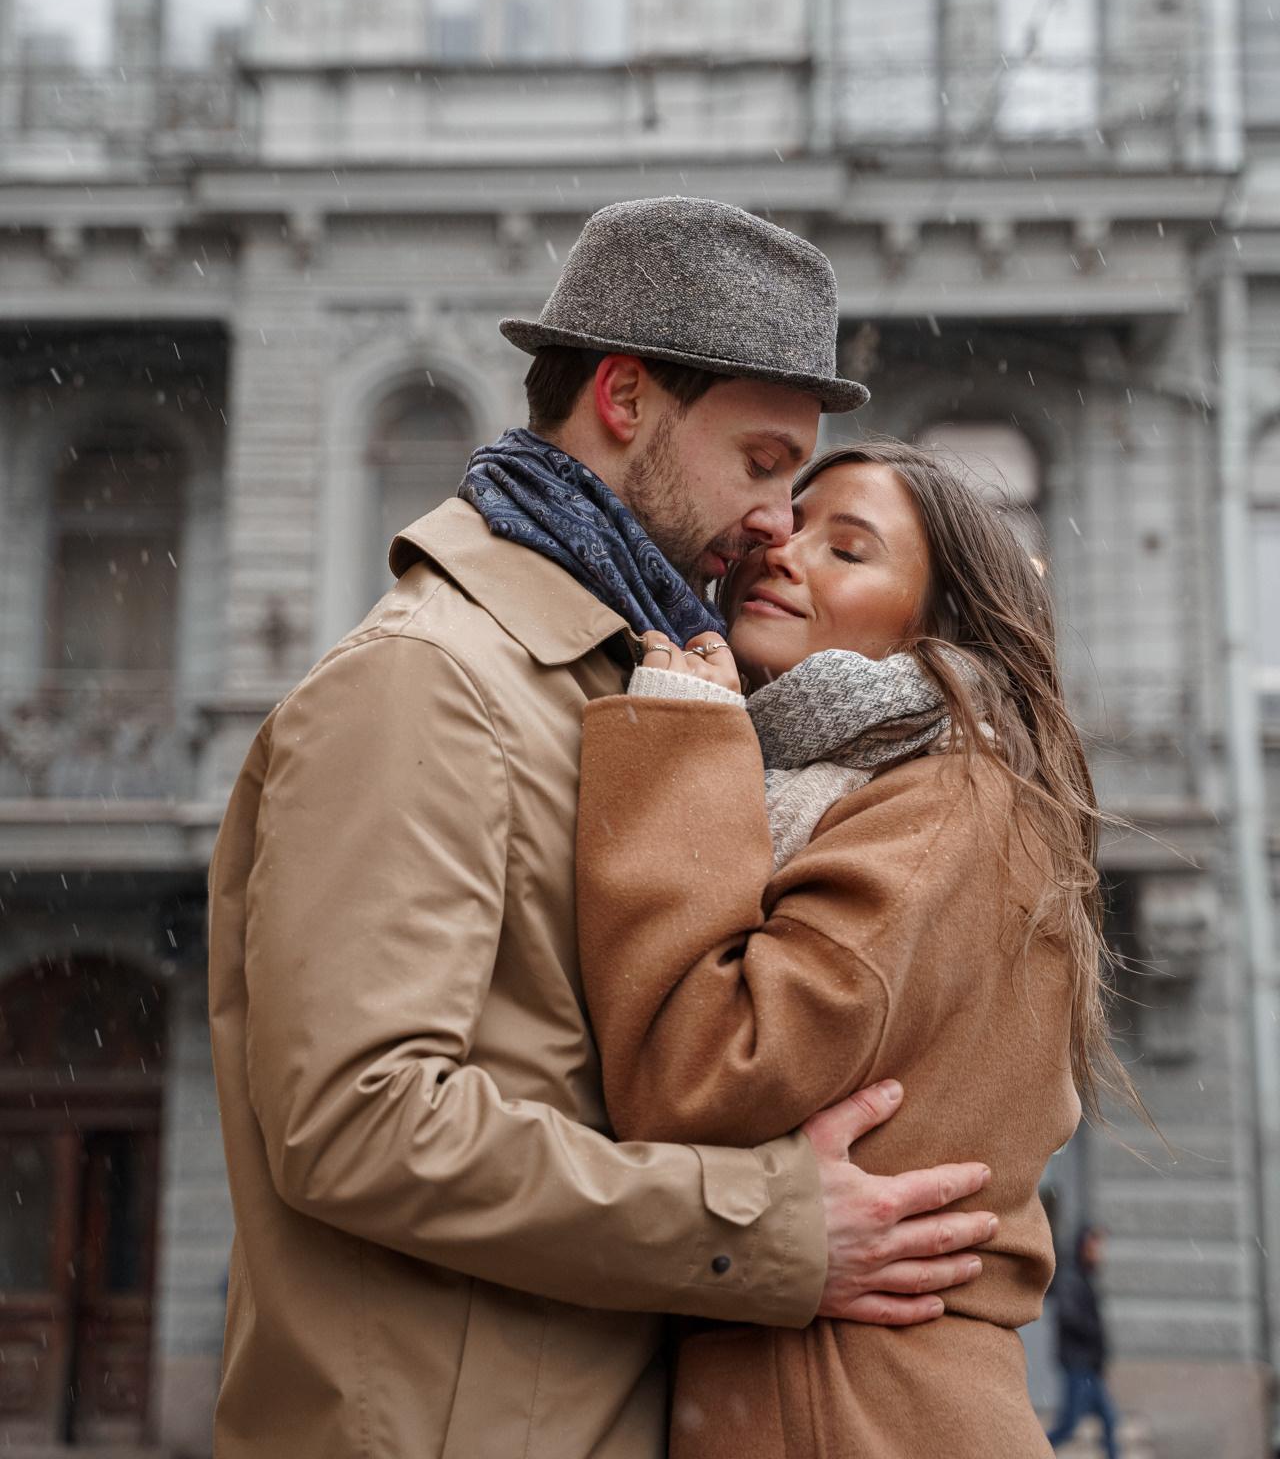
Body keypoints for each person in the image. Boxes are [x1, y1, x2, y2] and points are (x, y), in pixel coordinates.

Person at [206, 198, 1001, 1459]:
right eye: (757, 463)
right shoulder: (427, 679)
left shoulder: (637, 683)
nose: (773, 523)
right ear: (623, 401)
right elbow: (355, 1120)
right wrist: (769, 1224)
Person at [576, 438, 1140, 1457]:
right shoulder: (862, 784)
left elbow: (700, 1072)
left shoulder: (939, 803)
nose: (782, 553)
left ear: (934, 625)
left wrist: (669, 756)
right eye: (786, 528)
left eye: (847, 550)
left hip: (841, 1403)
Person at [1047, 1226, 1121, 1459]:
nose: (1098, 1252)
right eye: (1093, 1246)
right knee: (1069, 1426)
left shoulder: (1087, 1278)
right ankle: (1028, 1452)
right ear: (1082, 1248)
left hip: (1090, 1366)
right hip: (1078, 1365)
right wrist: (1091, 1330)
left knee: (1110, 1420)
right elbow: (1069, 1316)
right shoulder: (1071, 1278)